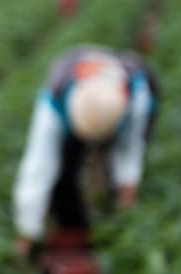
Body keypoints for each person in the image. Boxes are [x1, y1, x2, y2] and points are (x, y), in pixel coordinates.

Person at [12, 45, 160, 259]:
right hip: (70, 112)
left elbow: (130, 147)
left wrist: (128, 188)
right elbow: (38, 166)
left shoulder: (137, 96)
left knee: (115, 183)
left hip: (122, 110)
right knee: (64, 173)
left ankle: (108, 220)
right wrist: (28, 228)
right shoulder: (54, 102)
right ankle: (73, 225)